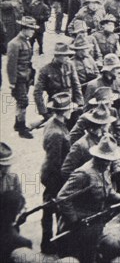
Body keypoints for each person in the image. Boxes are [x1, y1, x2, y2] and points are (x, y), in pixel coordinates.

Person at [56, 134, 120, 262]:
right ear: (97, 157)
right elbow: (62, 198)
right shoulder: (83, 173)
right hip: (79, 227)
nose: (109, 162)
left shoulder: (104, 169)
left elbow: (108, 189)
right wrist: (74, 220)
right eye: (106, 159)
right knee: (79, 257)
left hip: (96, 222)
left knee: (91, 254)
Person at [39, 92, 73, 253]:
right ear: (64, 111)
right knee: (56, 208)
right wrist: (63, 179)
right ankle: (56, 243)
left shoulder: (54, 123)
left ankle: (48, 241)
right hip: (54, 175)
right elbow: (55, 162)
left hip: (50, 172)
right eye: (69, 108)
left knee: (49, 207)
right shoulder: (57, 133)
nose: (71, 110)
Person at [33, 42, 83, 121]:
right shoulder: (45, 70)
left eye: (68, 55)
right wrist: (44, 112)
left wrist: (80, 104)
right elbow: (37, 92)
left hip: (70, 103)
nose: (67, 57)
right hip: (56, 105)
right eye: (65, 55)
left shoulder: (70, 65)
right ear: (57, 56)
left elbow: (76, 85)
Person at [6, 16, 38, 138]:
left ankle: (17, 123)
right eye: (31, 29)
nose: (33, 32)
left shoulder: (26, 41)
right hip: (19, 79)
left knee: (21, 102)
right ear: (24, 29)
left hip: (25, 77)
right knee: (23, 102)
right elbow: (11, 65)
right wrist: (12, 82)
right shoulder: (14, 44)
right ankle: (21, 128)